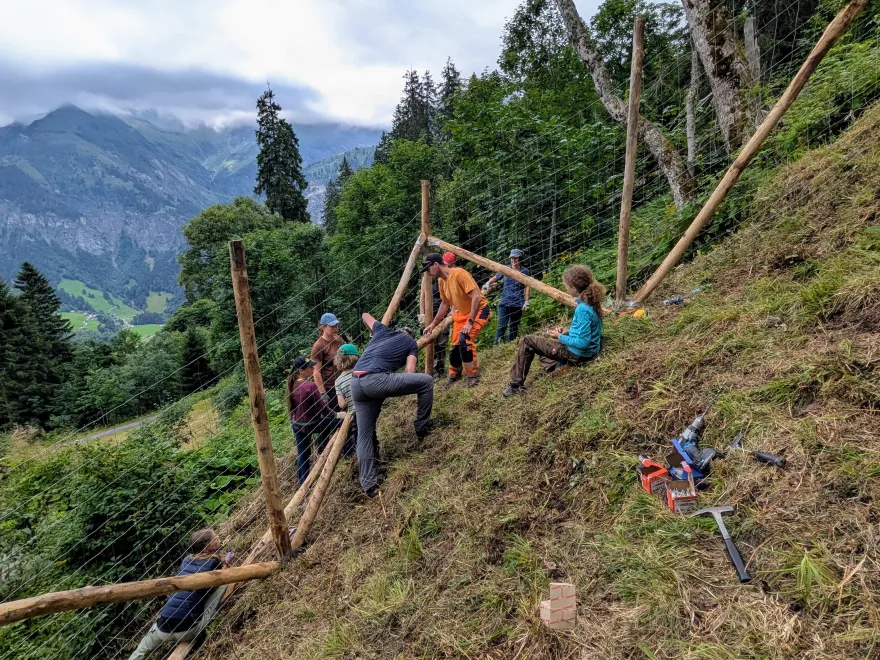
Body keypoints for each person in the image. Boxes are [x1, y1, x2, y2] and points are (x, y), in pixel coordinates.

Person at [350, 313, 434, 497]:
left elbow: (364, 315)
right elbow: (410, 372)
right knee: (426, 382)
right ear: (410, 335)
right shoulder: (411, 344)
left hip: (355, 381)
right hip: (376, 379)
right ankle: (422, 427)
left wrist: (374, 331)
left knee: (364, 435)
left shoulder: (381, 330)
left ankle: (369, 485)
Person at [128, 529, 232, 659]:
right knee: (222, 586)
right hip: (188, 629)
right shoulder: (213, 562)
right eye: (215, 539)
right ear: (206, 548)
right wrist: (226, 565)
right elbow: (216, 583)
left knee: (142, 649)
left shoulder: (186, 560)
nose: (219, 539)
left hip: (163, 628)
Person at [502, 265, 604, 397]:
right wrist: (566, 332)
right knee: (541, 344)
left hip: (579, 353)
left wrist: (560, 337)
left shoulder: (582, 309)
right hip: (588, 352)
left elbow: (583, 343)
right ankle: (559, 366)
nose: (566, 288)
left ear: (573, 287)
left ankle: (515, 384)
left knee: (528, 341)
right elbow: (586, 331)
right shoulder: (590, 302)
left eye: (566, 285)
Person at [421, 253, 491, 388]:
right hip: (461, 315)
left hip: (479, 311)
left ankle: (472, 375)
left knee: (465, 339)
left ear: (435, 264)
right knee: (454, 347)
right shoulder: (441, 281)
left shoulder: (459, 274)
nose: (428, 273)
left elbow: (476, 297)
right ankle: (454, 374)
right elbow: (445, 304)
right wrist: (433, 324)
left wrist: (470, 322)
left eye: (428, 269)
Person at [286, 355, 340, 485]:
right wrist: (336, 415)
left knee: (303, 455)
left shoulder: (292, 385)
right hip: (311, 424)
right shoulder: (310, 386)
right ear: (301, 370)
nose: (312, 369)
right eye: (309, 367)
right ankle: (328, 449)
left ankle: (303, 483)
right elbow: (322, 408)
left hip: (297, 425)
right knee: (337, 423)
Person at [483, 248, 531, 344]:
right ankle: (496, 346)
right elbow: (496, 277)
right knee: (502, 326)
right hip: (504, 303)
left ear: (519, 258)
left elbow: (527, 287)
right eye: (512, 258)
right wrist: (487, 283)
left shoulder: (525, 271)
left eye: (515, 258)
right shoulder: (506, 269)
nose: (513, 260)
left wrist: (526, 302)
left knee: (514, 327)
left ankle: (511, 345)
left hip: (518, 303)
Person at [425, 252, 456, 379]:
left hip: (444, 313)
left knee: (442, 342)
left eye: (449, 264)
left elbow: (450, 299)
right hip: (430, 313)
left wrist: (452, 310)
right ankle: (431, 370)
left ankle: (440, 370)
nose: (447, 266)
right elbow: (423, 296)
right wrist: (422, 313)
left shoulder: (453, 275)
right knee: (430, 340)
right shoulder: (431, 277)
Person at [311, 312, 344, 408]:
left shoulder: (339, 340)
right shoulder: (318, 346)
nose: (336, 328)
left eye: (336, 325)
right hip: (330, 388)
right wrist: (322, 393)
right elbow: (316, 371)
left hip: (343, 383)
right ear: (323, 327)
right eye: (332, 326)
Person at [333, 343, 360, 457]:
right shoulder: (360, 373)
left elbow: (342, 404)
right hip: (367, 409)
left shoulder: (338, 381)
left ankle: (361, 459)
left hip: (354, 415)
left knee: (358, 437)